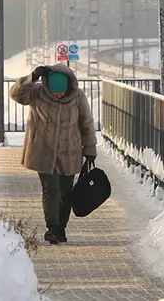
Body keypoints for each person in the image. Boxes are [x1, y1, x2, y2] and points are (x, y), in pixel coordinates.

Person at [9, 62, 96, 244]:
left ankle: (60, 228)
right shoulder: (37, 93)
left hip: (69, 151)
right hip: (43, 151)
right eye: (55, 91)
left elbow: (86, 123)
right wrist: (31, 77)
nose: (58, 95)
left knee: (66, 192)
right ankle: (52, 227)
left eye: (61, 91)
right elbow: (16, 94)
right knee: (51, 189)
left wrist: (89, 149)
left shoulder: (77, 96)